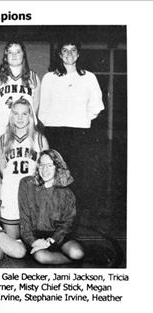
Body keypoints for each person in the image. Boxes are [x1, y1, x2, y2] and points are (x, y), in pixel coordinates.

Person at [38, 40, 104, 210]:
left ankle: (71, 219)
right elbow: (43, 109)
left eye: (73, 50)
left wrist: (81, 119)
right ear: (59, 55)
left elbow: (97, 106)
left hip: (79, 133)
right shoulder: (49, 78)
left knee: (77, 176)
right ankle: (51, 214)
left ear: (78, 53)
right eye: (65, 51)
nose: (69, 54)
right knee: (53, 174)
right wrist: (55, 124)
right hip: (55, 133)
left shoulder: (89, 77)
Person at [19, 149, 84, 265]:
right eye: (42, 165)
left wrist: (51, 241)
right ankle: (70, 262)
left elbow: (68, 224)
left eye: (50, 165)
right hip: (36, 237)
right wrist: (33, 242)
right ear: (38, 167)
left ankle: (74, 258)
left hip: (58, 237)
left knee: (77, 253)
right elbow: (24, 221)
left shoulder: (67, 193)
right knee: (42, 257)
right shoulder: (26, 184)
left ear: (58, 168)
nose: (45, 170)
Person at [0, 98, 49, 238]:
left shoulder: (39, 139)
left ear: (30, 116)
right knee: (14, 246)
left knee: (33, 247)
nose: (19, 118)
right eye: (16, 113)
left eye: (24, 114)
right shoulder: (3, 139)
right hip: (10, 195)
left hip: (32, 194)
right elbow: (2, 172)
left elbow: (47, 173)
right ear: (11, 116)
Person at [0, 41, 41, 141]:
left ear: (23, 55)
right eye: (10, 52)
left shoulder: (33, 77)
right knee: (2, 156)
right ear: (5, 56)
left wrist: (30, 122)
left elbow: (35, 106)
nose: (14, 55)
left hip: (25, 128)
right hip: (2, 127)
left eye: (17, 52)